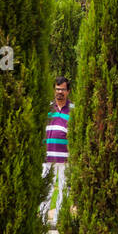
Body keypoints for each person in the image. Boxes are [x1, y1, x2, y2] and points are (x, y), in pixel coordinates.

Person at [41, 77, 72, 220]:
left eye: (63, 89)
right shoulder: (47, 108)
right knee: (45, 189)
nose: (60, 92)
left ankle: (59, 220)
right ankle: (41, 218)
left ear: (68, 91)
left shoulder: (73, 110)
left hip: (66, 158)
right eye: (58, 89)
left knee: (63, 189)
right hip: (47, 158)